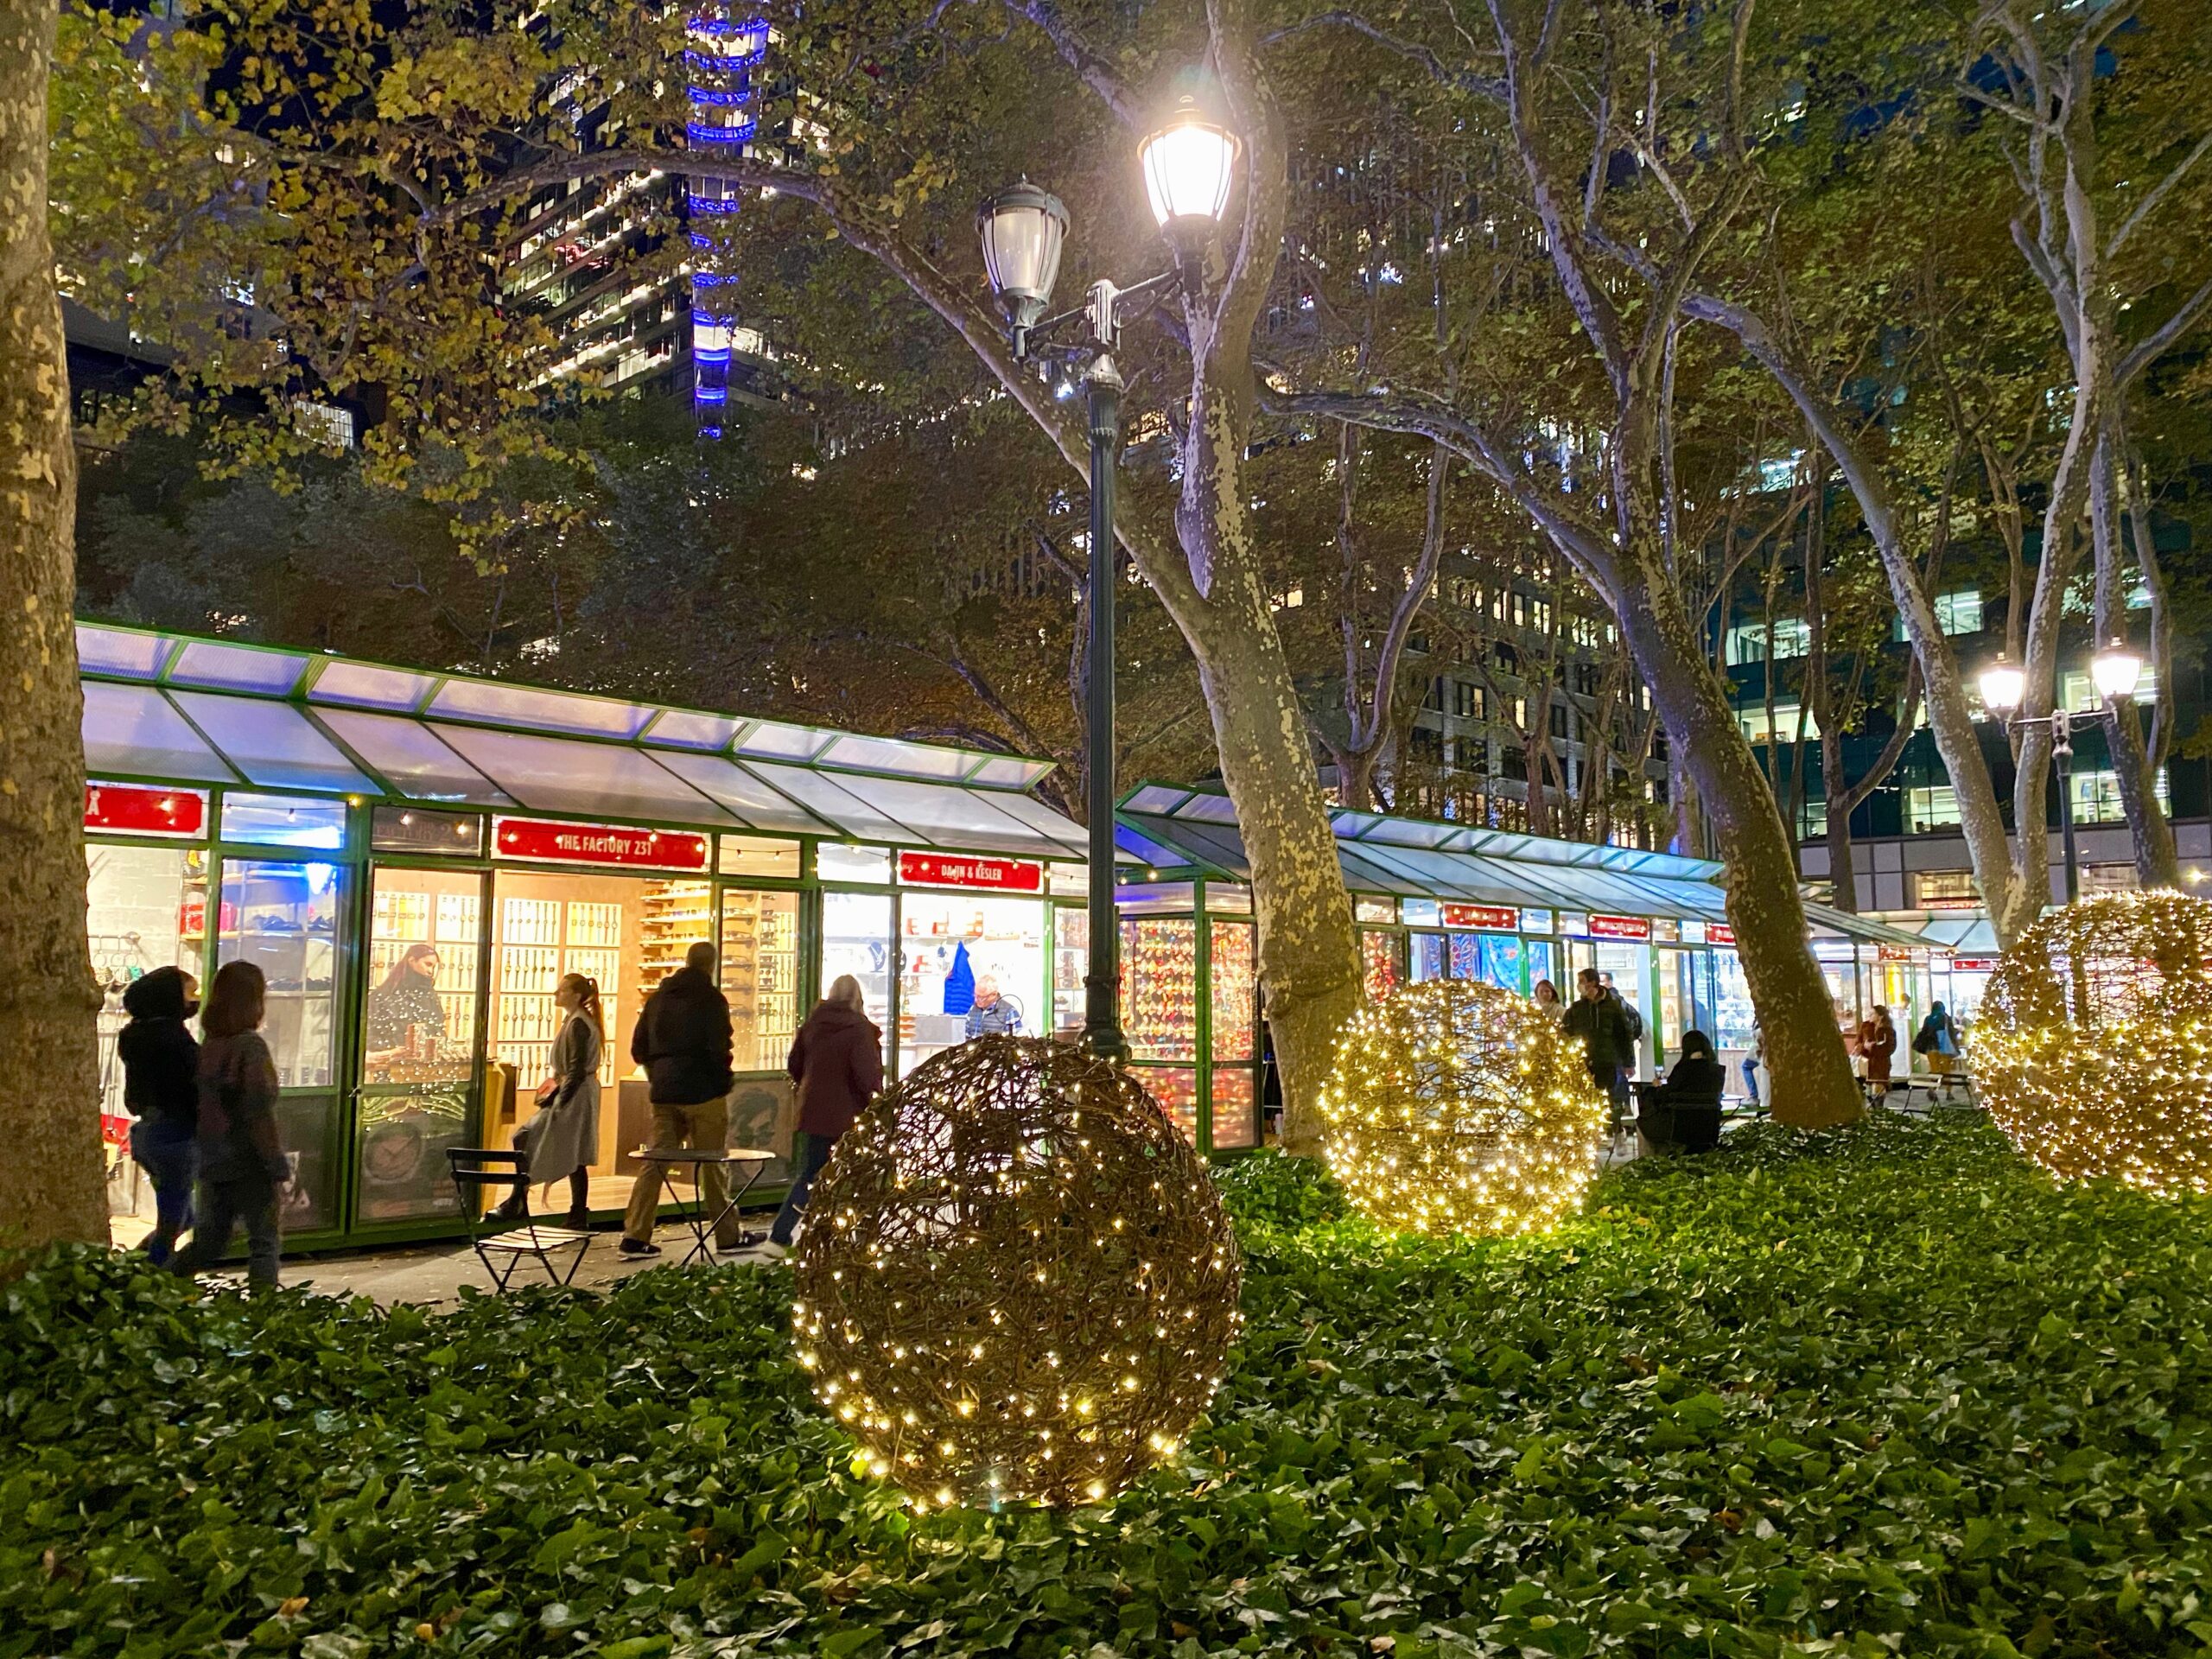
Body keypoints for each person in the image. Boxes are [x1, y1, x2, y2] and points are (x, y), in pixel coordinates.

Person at [168, 962, 288, 1289]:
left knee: (210, 1241)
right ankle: (265, 1314)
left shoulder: (211, 1044)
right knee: (264, 1242)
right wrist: (276, 1162)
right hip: (249, 1157)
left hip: (213, 1156)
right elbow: (258, 1108)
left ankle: (163, 1284)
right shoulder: (249, 1046)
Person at [622, 941, 737, 1258]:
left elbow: (639, 1047)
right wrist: (723, 1079)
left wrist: (657, 1073)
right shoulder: (712, 1000)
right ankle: (726, 1235)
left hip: (665, 1091)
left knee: (656, 1161)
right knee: (714, 1164)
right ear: (712, 966)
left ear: (686, 962)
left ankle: (635, 1232)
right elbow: (719, 1046)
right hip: (704, 1092)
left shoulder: (659, 999)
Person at [766, 974, 884, 1255]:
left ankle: (780, 1235)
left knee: (811, 1174)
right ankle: (859, 1239)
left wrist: (810, 1090)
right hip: (851, 1116)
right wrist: (878, 1106)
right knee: (859, 1176)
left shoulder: (812, 1026)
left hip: (815, 1114)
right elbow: (867, 1076)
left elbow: (795, 1064)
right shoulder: (859, 1031)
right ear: (858, 998)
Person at [499, 973, 602, 1229]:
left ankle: (520, 1201)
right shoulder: (575, 1022)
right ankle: (571, 1211)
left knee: (535, 1139)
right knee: (570, 1151)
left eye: (562, 990)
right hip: (572, 1091)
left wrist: (561, 1100)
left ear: (576, 995)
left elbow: (577, 1068)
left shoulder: (578, 1024)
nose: (556, 994)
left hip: (574, 1094)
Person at [118, 966, 200, 1265]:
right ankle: (151, 1273)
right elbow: (189, 1085)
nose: (195, 1001)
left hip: (149, 1133)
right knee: (175, 1219)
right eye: (190, 994)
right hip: (174, 1134)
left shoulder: (135, 1035)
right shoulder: (173, 1041)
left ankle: (139, 1265)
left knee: (182, 1215)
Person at [1564, 968, 1634, 1124]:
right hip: (1584, 1061)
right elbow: (1567, 1031)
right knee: (1586, 1097)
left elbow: (1624, 1034)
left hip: (1607, 1060)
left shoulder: (1613, 1006)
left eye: (1582, 981)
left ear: (1592, 983)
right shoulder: (1577, 1008)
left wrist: (1628, 1062)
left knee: (1607, 1096)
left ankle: (1608, 1127)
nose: (1579, 985)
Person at [1640, 1030, 1726, 1154]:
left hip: (1681, 1129)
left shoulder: (1682, 1069)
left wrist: (1656, 1089)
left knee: (1645, 1117)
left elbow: (1667, 1094)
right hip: (1709, 1129)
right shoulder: (1717, 1071)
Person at [365, 944, 446, 1067]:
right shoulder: (384, 995)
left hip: (425, 1067)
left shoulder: (429, 996)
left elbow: (438, 1029)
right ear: (412, 960)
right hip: (389, 1067)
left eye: (433, 967)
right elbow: (370, 1035)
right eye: (428, 964)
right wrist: (390, 1052)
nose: (430, 971)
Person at [963, 974, 1022, 1039]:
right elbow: (967, 1037)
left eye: (981, 997)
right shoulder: (973, 1009)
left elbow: (1016, 1042)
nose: (976, 1000)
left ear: (994, 994)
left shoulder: (1009, 1012)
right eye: (976, 995)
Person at [1860, 1004, 1898, 1096]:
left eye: (1872, 1014)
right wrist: (1864, 1047)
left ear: (1880, 1016)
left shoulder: (1887, 1031)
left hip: (1881, 1064)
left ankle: (1879, 1108)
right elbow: (1861, 1042)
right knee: (1868, 1093)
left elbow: (1889, 1048)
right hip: (1869, 1064)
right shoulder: (1868, 1028)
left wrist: (1872, 1048)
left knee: (1878, 1090)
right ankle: (1875, 1108)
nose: (1870, 1016)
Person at [1915, 1002, 1961, 1075]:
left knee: (1934, 1070)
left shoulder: (1928, 1018)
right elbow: (1951, 1032)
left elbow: (1924, 1032)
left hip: (1931, 1048)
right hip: (1945, 1048)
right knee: (1945, 1071)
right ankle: (1945, 1084)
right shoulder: (1946, 1018)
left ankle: (1935, 1084)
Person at [1742, 1024, 1764, 1105]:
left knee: (1745, 1066)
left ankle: (1754, 1096)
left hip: (1762, 1052)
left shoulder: (1760, 1030)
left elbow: (1759, 1041)